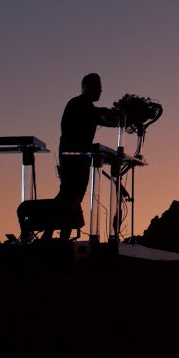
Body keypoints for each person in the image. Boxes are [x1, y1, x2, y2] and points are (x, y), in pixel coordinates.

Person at [55, 72, 122, 238]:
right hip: (73, 160)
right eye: (98, 87)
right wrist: (115, 115)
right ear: (87, 86)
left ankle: (59, 235)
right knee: (69, 198)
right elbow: (99, 115)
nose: (101, 91)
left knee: (71, 198)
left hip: (79, 159)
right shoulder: (78, 104)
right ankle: (54, 236)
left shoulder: (85, 106)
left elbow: (101, 117)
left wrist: (118, 118)